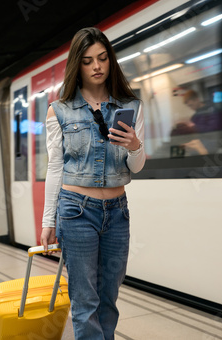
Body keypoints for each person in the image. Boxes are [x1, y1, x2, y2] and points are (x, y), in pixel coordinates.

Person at [40, 27, 146, 339]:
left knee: (108, 301)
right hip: (76, 212)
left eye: (102, 58)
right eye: (88, 61)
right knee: (85, 303)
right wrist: (49, 220)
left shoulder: (131, 107)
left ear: (110, 61)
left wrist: (134, 145)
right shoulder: (58, 111)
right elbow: (55, 167)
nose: (97, 66)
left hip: (117, 213)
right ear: (78, 65)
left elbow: (136, 167)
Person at [173, 89, 222, 155]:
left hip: (212, 144)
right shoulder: (194, 117)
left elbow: (214, 128)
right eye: (188, 106)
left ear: (197, 99)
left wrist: (193, 127)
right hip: (199, 145)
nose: (190, 108)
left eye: (191, 105)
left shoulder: (211, 110)